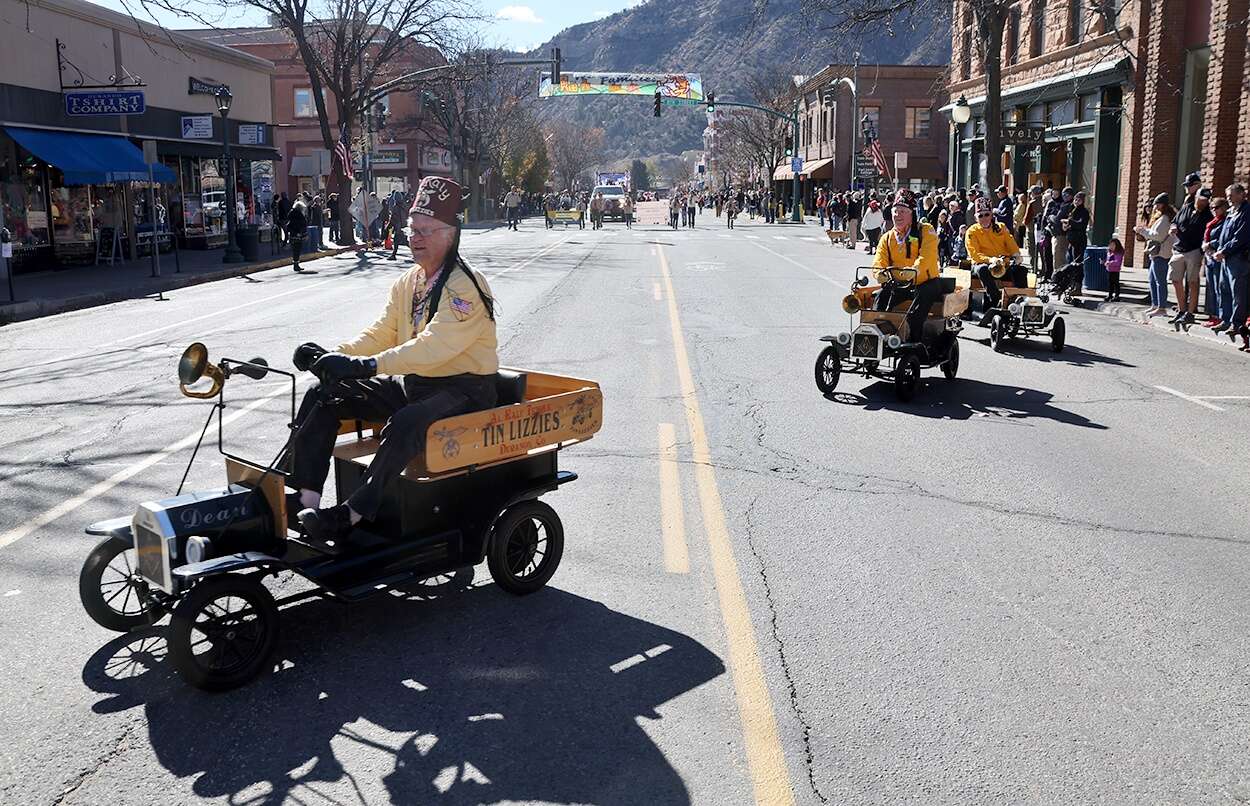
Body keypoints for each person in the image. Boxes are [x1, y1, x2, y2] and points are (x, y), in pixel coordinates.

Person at [291, 176, 499, 549]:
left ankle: (352, 514)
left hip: (465, 389)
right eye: (412, 228)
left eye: (425, 230)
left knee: (407, 422)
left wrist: (367, 367)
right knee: (324, 393)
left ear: (451, 234)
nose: (414, 237)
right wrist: (332, 358)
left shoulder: (466, 285)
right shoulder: (410, 281)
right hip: (417, 383)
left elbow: (432, 347)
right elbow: (383, 332)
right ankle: (304, 499)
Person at [871, 188, 943, 345]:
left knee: (916, 312)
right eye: (895, 211)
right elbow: (879, 260)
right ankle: (875, 336)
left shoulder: (925, 230)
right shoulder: (887, 237)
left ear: (912, 214)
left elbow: (927, 256)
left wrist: (915, 271)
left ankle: (914, 343)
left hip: (925, 282)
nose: (898, 215)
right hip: (899, 283)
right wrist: (879, 274)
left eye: (903, 211)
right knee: (881, 297)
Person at [1167, 174, 1212, 327]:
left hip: (1194, 250)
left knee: (1193, 282)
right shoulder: (1187, 205)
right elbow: (1175, 221)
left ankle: (1190, 313)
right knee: (1175, 279)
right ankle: (1181, 309)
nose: (1202, 202)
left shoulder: (1207, 214)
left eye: (1205, 200)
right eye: (1200, 199)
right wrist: (1173, 227)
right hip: (1179, 249)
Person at [965, 197, 1025, 311]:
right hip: (982, 264)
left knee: (1021, 270)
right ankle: (996, 301)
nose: (984, 218)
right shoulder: (972, 231)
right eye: (980, 215)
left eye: (987, 214)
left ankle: (1021, 301)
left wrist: (1017, 255)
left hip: (1002, 264)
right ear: (975, 218)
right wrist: (990, 260)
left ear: (991, 215)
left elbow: (1011, 243)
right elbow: (974, 254)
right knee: (982, 270)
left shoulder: (1001, 227)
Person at [1212, 182, 1250, 339]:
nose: (1229, 199)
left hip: (1239, 257)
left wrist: (1224, 250)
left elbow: (1240, 236)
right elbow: (1224, 233)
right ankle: (1225, 319)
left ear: (1242, 194)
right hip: (1226, 257)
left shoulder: (1246, 211)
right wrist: (1218, 249)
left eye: (1231, 195)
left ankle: (1237, 323)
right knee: (1224, 289)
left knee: (1238, 292)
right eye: (1227, 196)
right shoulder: (1231, 212)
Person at [1135, 193, 1177, 317]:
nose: (1155, 207)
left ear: (1163, 205)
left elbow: (1157, 236)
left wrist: (1142, 231)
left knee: (1160, 281)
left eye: (1157, 204)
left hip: (1162, 253)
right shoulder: (1159, 217)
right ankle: (1155, 304)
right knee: (1152, 280)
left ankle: (1161, 307)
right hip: (1156, 253)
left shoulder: (1165, 218)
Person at [1201, 196, 1230, 328]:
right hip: (1209, 257)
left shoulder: (1226, 221)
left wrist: (1210, 244)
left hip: (1218, 257)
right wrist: (1205, 244)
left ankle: (1220, 316)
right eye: (1212, 208)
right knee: (1211, 288)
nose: (1213, 210)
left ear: (1224, 208)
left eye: (1216, 208)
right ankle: (1212, 315)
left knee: (1220, 288)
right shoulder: (1212, 222)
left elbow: (1223, 238)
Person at [286, 198, 308, 272]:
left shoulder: (291, 213)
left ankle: (296, 264)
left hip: (292, 234)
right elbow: (303, 224)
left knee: (295, 249)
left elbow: (289, 224)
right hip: (298, 234)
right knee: (297, 249)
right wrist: (304, 234)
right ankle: (296, 264)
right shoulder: (299, 215)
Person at [1104, 237, 1124, 302]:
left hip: (1115, 270)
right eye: (1110, 245)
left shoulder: (1118, 253)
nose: (1111, 246)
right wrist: (1105, 262)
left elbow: (1117, 262)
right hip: (1109, 270)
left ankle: (1117, 296)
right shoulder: (1109, 252)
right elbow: (1108, 260)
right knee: (1110, 283)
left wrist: (1109, 263)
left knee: (1116, 283)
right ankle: (1110, 295)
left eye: (1113, 245)